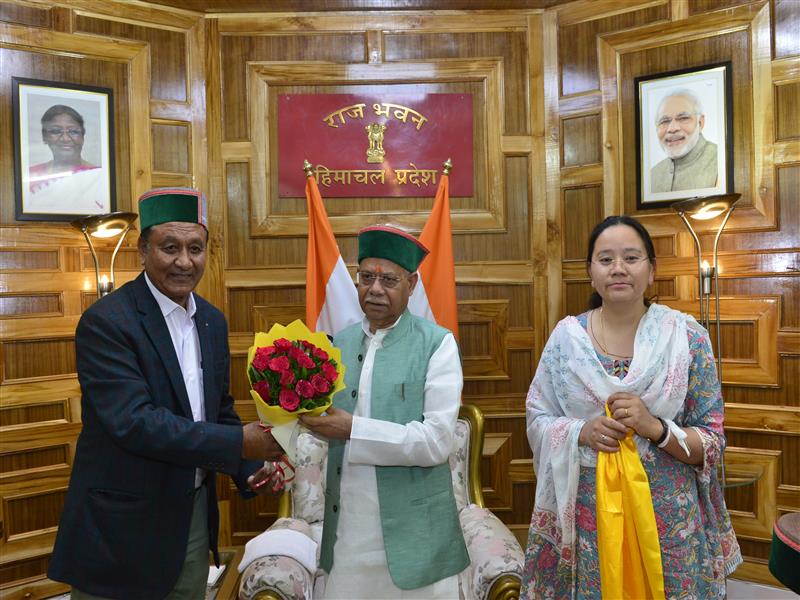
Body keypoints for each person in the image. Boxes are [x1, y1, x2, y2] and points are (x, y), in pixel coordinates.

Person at [48, 188, 284, 600]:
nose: (184, 262)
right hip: (121, 527)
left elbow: (217, 410)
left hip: (191, 518)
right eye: (170, 247)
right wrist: (239, 442)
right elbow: (135, 423)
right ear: (142, 251)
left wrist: (250, 468)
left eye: (195, 248)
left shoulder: (212, 320)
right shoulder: (107, 322)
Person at [521, 215, 741, 599]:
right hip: (589, 523)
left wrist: (655, 427)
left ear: (651, 270)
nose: (618, 268)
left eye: (631, 258)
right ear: (590, 272)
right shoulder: (566, 341)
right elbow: (538, 418)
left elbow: (712, 441)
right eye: (606, 259)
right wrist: (580, 431)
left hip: (669, 524)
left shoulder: (686, 338)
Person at [299, 225, 469, 599]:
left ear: (411, 284)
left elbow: (436, 442)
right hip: (348, 535)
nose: (375, 289)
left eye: (389, 280)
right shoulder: (336, 344)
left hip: (416, 539)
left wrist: (353, 429)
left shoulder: (437, 345)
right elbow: (317, 421)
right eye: (366, 277)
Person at [26, 104, 107, 214]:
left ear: (82, 137)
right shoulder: (31, 176)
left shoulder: (100, 177)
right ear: (44, 137)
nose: (65, 139)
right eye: (56, 131)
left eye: (73, 131)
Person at [650, 89, 719, 193]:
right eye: (664, 121)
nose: (672, 128)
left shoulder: (722, 162)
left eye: (683, 118)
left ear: (700, 123)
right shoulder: (652, 175)